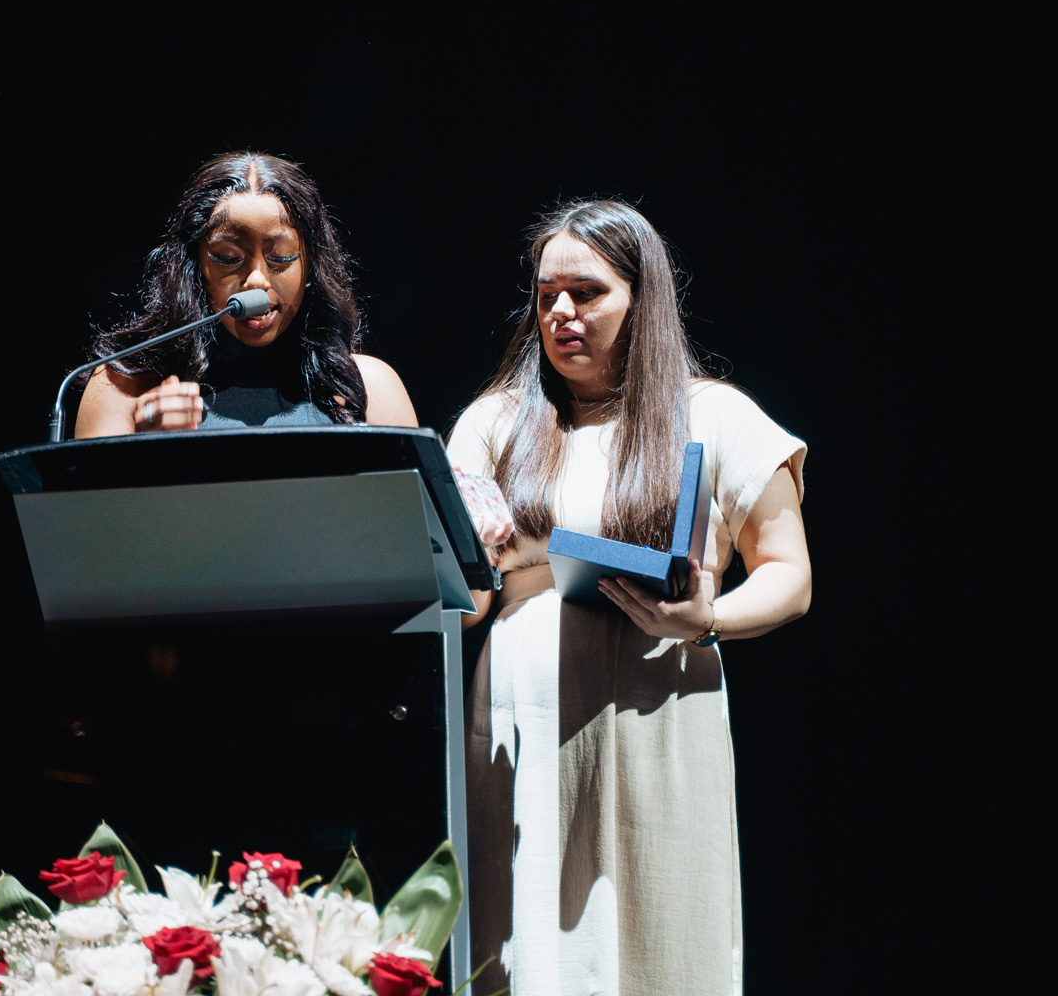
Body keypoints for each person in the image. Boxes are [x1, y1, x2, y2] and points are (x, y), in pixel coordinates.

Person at [446, 199, 813, 995]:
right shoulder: (493, 423)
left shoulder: (712, 414)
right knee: (524, 941)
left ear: (642, 299)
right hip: (522, 716)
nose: (561, 313)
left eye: (587, 293)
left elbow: (790, 575)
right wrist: (463, 550)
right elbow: (465, 605)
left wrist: (709, 618)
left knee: (659, 930)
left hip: (658, 705)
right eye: (547, 296)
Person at [74, 152, 417, 436]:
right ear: (195, 267)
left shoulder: (368, 389)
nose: (256, 280)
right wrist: (145, 453)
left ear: (310, 267)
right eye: (228, 258)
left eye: (281, 257)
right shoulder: (124, 387)